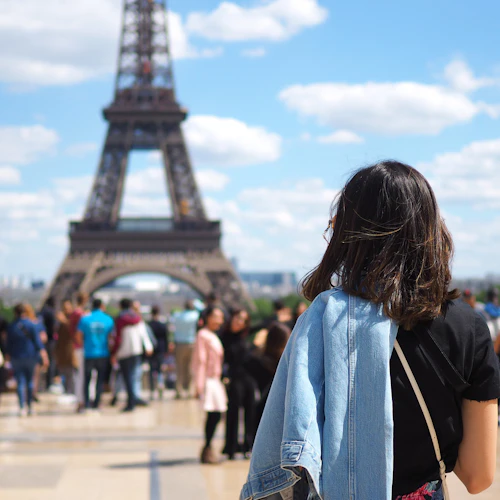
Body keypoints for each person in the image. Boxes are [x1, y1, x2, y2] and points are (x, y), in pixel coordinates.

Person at [241, 161, 500, 500]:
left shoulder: (320, 320)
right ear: (430, 228)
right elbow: (478, 477)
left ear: (347, 232)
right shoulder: (467, 326)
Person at [192, 306, 227, 464]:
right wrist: (199, 385)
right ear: (208, 318)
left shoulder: (211, 335)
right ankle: (207, 448)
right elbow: (200, 360)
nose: (220, 320)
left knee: (216, 415)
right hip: (208, 380)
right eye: (217, 316)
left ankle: (208, 447)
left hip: (215, 379)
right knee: (213, 415)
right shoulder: (203, 335)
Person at [221, 308, 256, 460]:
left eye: (243, 320)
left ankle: (248, 445)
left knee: (250, 413)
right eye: (237, 318)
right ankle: (231, 447)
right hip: (234, 378)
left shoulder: (244, 337)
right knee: (233, 413)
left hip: (247, 378)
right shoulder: (223, 337)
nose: (239, 322)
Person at [244, 321, 291, 429]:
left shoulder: (257, 358)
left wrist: (255, 344)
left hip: (259, 409)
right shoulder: (285, 362)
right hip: (278, 410)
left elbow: (244, 361)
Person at [111, 298, 153, 412]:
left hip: (124, 351)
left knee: (127, 377)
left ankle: (130, 402)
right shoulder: (137, 318)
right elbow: (143, 333)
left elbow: (118, 337)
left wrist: (114, 352)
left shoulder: (120, 319)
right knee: (134, 376)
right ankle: (134, 398)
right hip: (136, 350)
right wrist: (148, 346)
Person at [6, 304, 48, 416]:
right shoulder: (32, 325)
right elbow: (37, 342)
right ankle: (30, 406)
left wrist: (7, 356)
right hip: (30, 356)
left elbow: (8, 344)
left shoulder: (11, 326)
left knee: (20, 382)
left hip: (16, 357)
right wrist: (43, 354)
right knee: (30, 381)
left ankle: (21, 407)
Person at [77, 298, 114, 410]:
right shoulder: (108, 319)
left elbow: (78, 336)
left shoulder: (85, 319)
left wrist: (86, 344)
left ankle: (87, 403)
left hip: (89, 353)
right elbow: (111, 338)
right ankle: (97, 403)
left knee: (87, 380)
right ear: (102, 306)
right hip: (103, 353)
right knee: (100, 380)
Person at [170, 300, 200, 399]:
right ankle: (190, 390)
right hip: (192, 343)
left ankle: (179, 390)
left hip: (179, 343)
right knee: (191, 367)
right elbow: (202, 309)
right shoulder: (195, 315)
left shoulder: (177, 316)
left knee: (179, 368)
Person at [69, 292, 89, 413]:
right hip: (82, 347)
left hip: (77, 347)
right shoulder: (80, 314)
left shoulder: (74, 314)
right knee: (83, 375)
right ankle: (82, 400)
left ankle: (80, 400)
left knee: (79, 375)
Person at [24, 303, 47, 401]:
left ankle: (24, 394)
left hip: (21, 352)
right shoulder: (36, 323)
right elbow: (44, 338)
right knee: (35, 375)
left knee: (23, 376)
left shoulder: (19, 324)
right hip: (34, 352)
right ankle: (33, 393)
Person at [54, 300, 76, 394]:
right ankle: (67, 391)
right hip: (62, 351)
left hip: (71, 350)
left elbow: (72, 331)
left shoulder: (73, 318)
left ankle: (72, 392)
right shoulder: (60, 321)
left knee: (71, 373)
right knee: (64, 372)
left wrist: (63, 321)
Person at [147, 305, 168, 400]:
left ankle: (152, 390)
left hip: (151, 349)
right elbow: (166, 338)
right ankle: (160, 386)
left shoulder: (149, 325)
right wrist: (166, 349)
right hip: (161, 349)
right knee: (160, 370)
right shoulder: (162, 324)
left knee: (152, 370)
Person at [39, 296, 57, 390]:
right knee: (50, 362)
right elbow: (54, 327)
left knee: (42, 363)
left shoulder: (42, 312)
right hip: (50, 340)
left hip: (41, 340)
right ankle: (49, 383)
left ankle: (42, 384)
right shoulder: (51, 312)